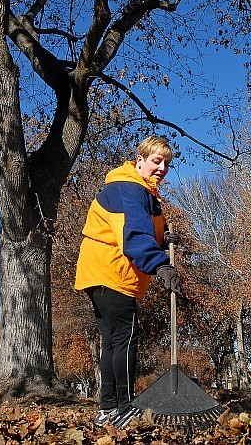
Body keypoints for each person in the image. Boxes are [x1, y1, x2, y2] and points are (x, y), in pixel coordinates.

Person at [74, 135, 182, 427]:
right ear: (140, 161)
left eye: (166, 164)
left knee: (111, 342)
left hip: (100, 271)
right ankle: (124, 407)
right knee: (124, 338)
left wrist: (162, 240)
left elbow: (133, 229)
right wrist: (160, 264)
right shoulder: (129, 188)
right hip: (112, 271)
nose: (161, 169)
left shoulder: (137, 190)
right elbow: (132, 234)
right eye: (156, 161)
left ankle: (107, 409)